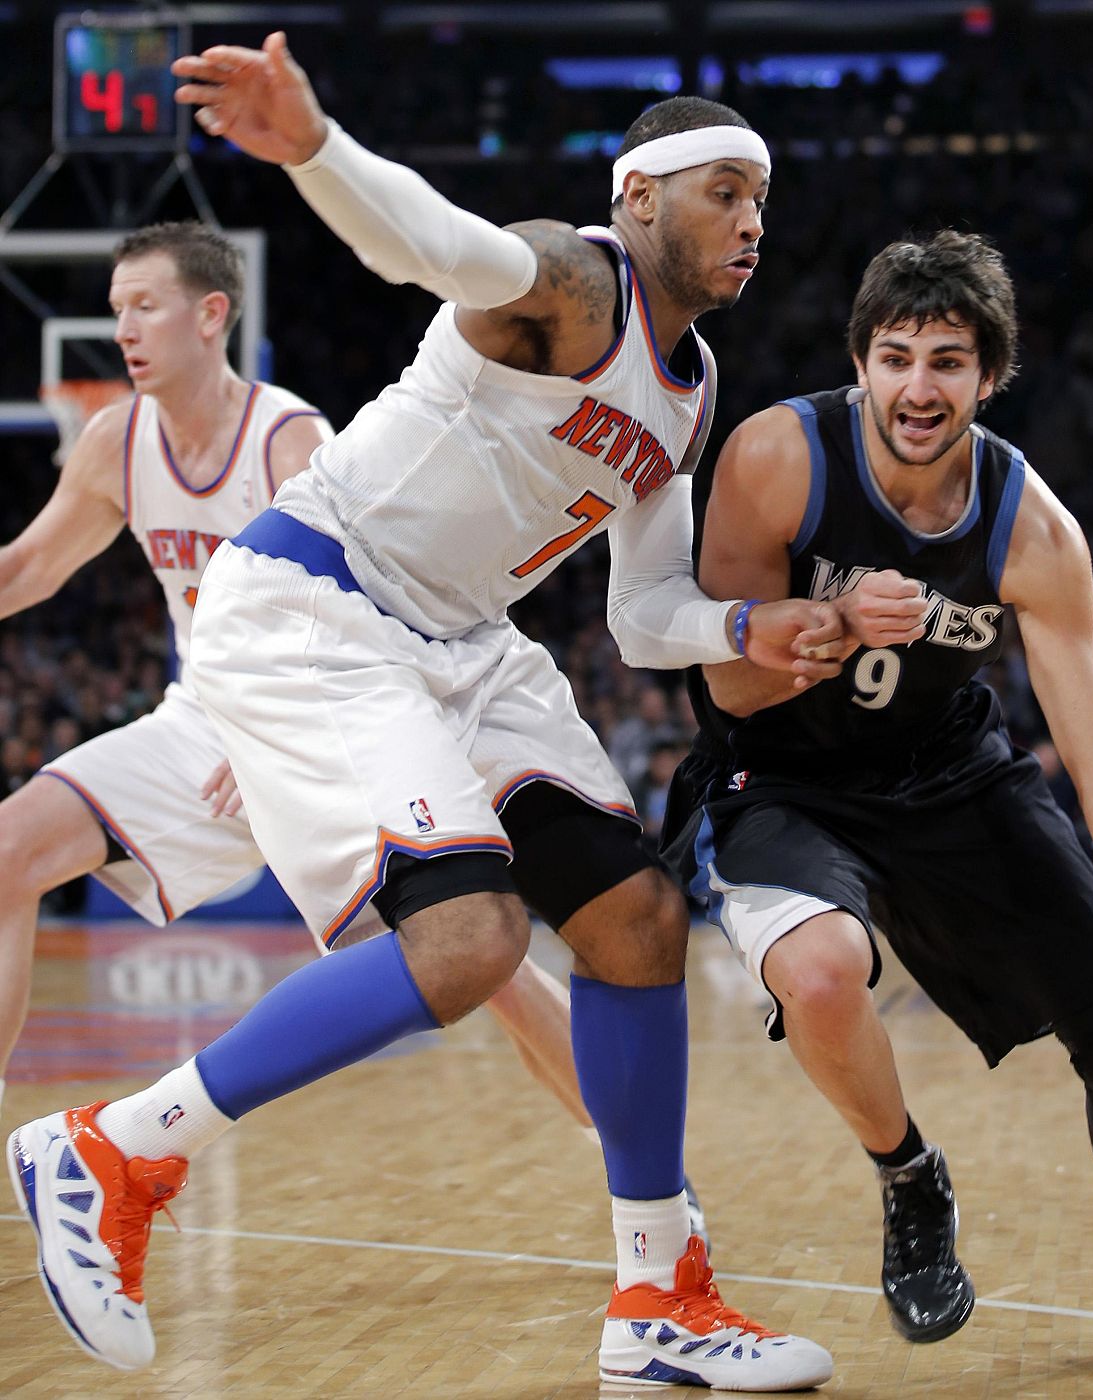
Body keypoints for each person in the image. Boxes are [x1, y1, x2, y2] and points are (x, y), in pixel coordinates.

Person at [9, 34, 838, 1389]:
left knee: (634, 919)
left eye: (761, 201)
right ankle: (112, 1148)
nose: (751, 221)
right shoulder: (574, 282)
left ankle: (656, 1303)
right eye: (723, 193)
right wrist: (315, 147)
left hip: (463, 642)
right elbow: (435, 248)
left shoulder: (685, 406)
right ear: (640, 198)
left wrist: (747, 627)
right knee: (466, 942)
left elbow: (643, 617)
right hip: (316, 607)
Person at [662, 231, 1093, 1364]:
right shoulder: (777, 456)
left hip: (949, 770)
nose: (918, 386)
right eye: (896, 355)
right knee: (821, 971)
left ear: (989, 374)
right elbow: (719, 672)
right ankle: (909, 1173)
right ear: (861, 362)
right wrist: (822, 628)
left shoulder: (1032, 528)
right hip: (779, 772)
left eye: (948, 361)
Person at [0, 221, 608, 1155]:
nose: (122, 328)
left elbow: (347, 608)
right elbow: (27, 571)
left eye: (144, 307)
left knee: (479, 959)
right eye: (117, 309)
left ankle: (648, 1172)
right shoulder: (116, 439)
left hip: (317, 712)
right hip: (200, 728)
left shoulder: (288, 438)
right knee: (12, 851)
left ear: (211, 316)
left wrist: (276, 724)